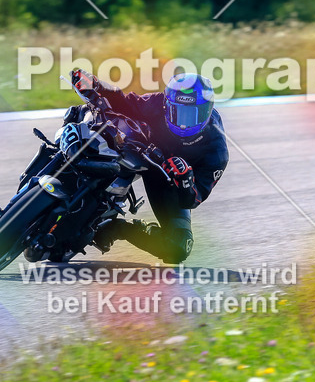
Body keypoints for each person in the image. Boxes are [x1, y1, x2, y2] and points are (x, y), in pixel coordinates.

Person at [68, 68, 229, 264]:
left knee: (178, 248)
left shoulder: (217, 151)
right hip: (137, 149)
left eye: (191, 115)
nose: (184, 123)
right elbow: (124, 101)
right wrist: (96, 84)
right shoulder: (157, 103)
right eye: (177, 112)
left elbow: (192, 199)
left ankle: (117, 228)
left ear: (207, 111)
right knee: (93, 118)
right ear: (166, 104)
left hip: (167, 181)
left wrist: (185, 179)